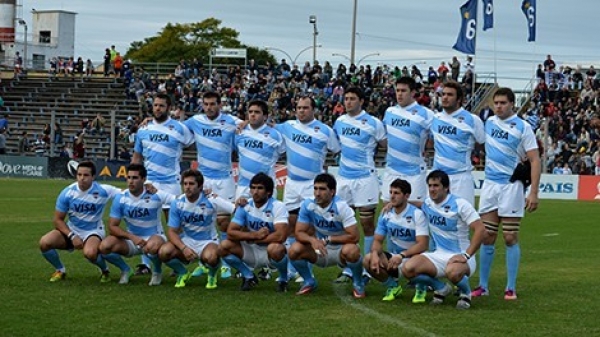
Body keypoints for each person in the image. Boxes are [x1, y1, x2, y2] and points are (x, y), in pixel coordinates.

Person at [472, 87, 541, 301]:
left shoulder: (523, 127)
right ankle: (483, 286)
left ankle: (510, 287)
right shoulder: (489, 123)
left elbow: (535, 160)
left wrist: (534, 192)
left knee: (510, 236)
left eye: (503, 103)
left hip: (512, 187)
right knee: (487, 235)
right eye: (496, 103)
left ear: (512, 104)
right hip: (491, 185)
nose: (499, 106)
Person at [274, 95, 340, 282]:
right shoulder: (287, 126)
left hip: (313, 185)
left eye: (305, 108)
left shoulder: (325, 131)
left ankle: (307, 268)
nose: (301, 111)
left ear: (313, 110)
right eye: (298, 108)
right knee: (291, 225)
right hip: (292, 184)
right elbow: (265, 125)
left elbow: (335, 149)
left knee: (310, 227)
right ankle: (292, 267)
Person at [401, 170, 485, 310]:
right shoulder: (428, 204)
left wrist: (466, 255)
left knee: (452, 272)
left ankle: (466, 293)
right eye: (430, 186)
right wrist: (398, 203)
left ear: (446, 187)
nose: (432, 189)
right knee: (407, 269)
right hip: (438, 255)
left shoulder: (460, 204)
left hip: (461, 255)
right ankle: (441, 288)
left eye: (436, 185)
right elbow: (419, 204)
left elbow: (480, 229)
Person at [132, 93, 194, 275]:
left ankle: (178, 258)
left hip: (171, 183)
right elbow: (137, 156)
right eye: (155, 105)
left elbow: (191, 143)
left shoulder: (179, 128)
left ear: (169, 108)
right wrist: (134, 177)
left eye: (161, 105)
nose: (157, 108)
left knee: (174, 223)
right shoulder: (143, 130)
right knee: (146, 221)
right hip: (149, 181)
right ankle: (145, 263)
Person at [184, 91, 242, 279]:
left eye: (212, 104)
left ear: (220, 105)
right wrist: (147, 122)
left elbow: (248, 125)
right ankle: (204, 261)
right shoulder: (195, 121)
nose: (209, 107)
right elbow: (175, 129)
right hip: (203, 179)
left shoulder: (231, 121)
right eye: (206, 104)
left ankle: (225, 263)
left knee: (224, 222)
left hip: (224, 179)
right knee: (202, 220)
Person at [332, 86, 387, 282]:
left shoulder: (374, 123)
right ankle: (349, 265)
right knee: (344, 223)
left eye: (352, 98)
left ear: (361, 101)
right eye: (346, 98)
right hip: (344, 178)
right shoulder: (339, 122)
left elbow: (385, 145)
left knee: (366, 223)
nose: (348, 102)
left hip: (365, 178)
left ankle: (368, 265)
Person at [39, 161, 122, 282]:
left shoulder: (103, 190)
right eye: (79, 175)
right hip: (72, 230)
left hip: (93, 230)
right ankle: (60, 270)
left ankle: (105, 270)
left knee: (90, 253)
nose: (82, 178)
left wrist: (146, 188)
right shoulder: (67, 193)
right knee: (44, 243)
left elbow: (126, 193)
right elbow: (57, 220)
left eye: (86, 175)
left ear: (93, 177)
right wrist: (72, 236)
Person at [289, 173, 366, 298]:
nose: (317, 193)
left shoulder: (341, 207)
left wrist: (329, 239)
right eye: (315, 188)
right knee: (294, 250)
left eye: (322, 189)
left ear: (332, 192)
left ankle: (358, 282)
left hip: (341, 250)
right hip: (321, 249)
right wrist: (312, 240)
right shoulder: (307, 205)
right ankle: (309, 281)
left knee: (352, 250)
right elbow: (299, 232)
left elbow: (354, 236)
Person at [98, 164, 175, 286]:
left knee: (153, 246)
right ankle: (125, 270)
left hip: (154, 237)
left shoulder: (156, 194)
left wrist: (204, 193)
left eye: (135, 178)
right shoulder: (120, 198)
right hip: (131, 240)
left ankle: (157, 271)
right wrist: (132, 237)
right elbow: (112, 226)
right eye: (128, 177)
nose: (131, 181)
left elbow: (181, 200)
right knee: (104, 247)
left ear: (144, 179)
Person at [159, 169, 235, 289]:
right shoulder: (177, 203)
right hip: (187, 240)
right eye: (185, 184)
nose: (187, 187)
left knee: (211, 257)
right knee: (163, 252)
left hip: (208, 241)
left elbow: (234, 209)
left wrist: (243, 203)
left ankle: (212, 275)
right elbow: (172, 232)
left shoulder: (211, 199)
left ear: (200, 187)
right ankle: (183, 273)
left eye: (191, 184)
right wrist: (184, 249)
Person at [219, 173, 290, 292]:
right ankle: (248, 276)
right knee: (223, 247)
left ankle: (283, 279)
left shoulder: (278, 206)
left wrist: (255, 239)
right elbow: (231, 232)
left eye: (260, 188)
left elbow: (281, 235)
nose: (255, 191)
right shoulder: (245, 206)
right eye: (253, 187)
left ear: (269, 192)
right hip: (252, 249)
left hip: (271, 251)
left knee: (275, 249)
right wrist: (254, 235)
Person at [363, 179, 429, 302]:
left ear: (407, 196)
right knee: (368, 259)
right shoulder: (386, 214)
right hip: (395, 258)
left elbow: (423, 245)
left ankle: (421, 287)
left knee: (414, 262)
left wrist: (401, 255)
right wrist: (374, 254)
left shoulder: (417, 214)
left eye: (396, 193)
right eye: (391, 192)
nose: (392, 196)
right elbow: (377, 240)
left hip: (415, 258)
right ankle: (393, 287)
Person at [430, 81, 484, 206]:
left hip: (461, 178)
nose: (445, 97)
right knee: (436, 220)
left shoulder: (473, 120)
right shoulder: (434, 118)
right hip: (438, 178)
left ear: (459, 99)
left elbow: (483, 144)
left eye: (449, 94)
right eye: (443, 94)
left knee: (462, 221)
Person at [382, 77, 434, 204]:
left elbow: (434, 139)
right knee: (388, 211)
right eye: (397, 90)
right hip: (391, 170)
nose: (399, 94)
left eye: (403, 90)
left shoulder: (426, 114)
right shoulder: (389, 112)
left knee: (414, 213)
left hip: (414, 172)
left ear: (412, 93)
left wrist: (423, 148)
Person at [234, 99, 285, 199]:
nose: (253, 114)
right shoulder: (239, 132)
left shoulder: (276, 135)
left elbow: (285, 152)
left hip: (266, 187)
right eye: (250, 112)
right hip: (243, 186)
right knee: (239, 214)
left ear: (265, 116)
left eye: (257, 112)